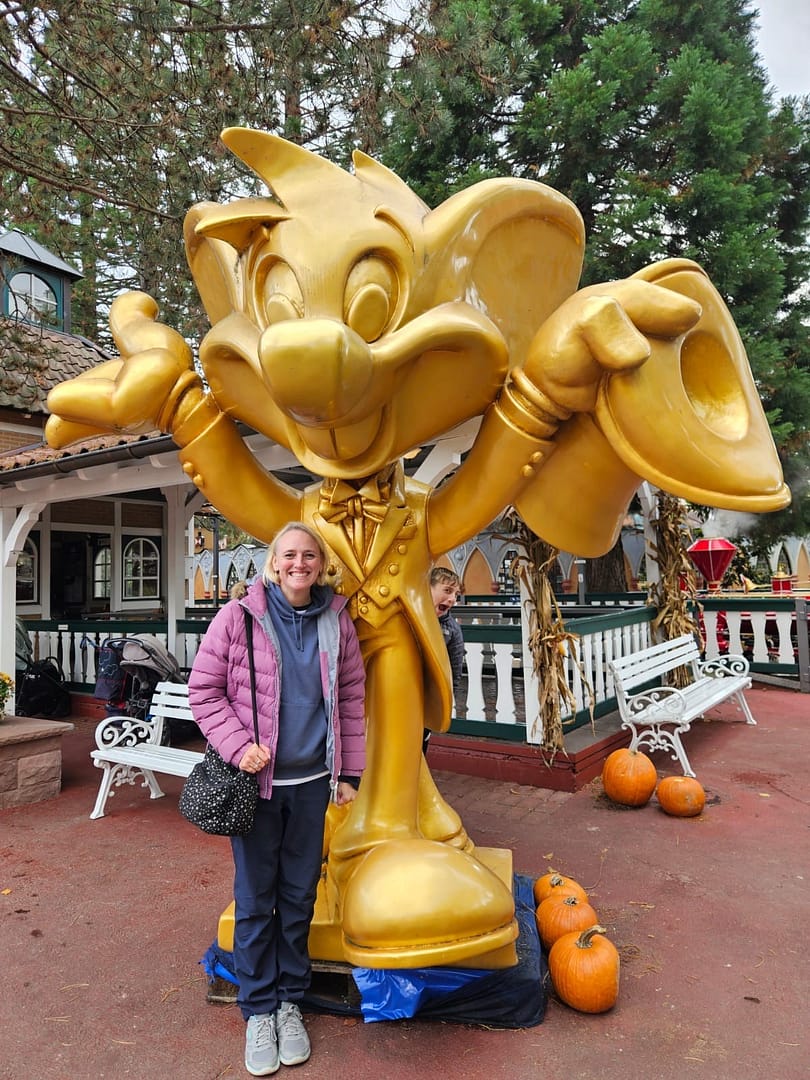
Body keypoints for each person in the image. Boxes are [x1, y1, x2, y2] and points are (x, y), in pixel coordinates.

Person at [188, 522, 366, 1077]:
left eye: (309, 555)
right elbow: (204, 690)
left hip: (312, 784)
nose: (299, 563)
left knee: (298, 897)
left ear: (321, 564)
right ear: (273, 562)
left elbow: (351, 698)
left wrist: (350, 772)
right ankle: (258, 1009)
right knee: (254, 898)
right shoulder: (238, 617)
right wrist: (238, 746)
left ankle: (290, 1001)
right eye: (289, 554)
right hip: (257, 788)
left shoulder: (337, 620)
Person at [423, 567, 465, 755]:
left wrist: (446, 699)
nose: (452, 599)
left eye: (456, 594)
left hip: (427, 698)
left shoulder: (452, 630)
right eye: (447, 590)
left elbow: (455, 668)